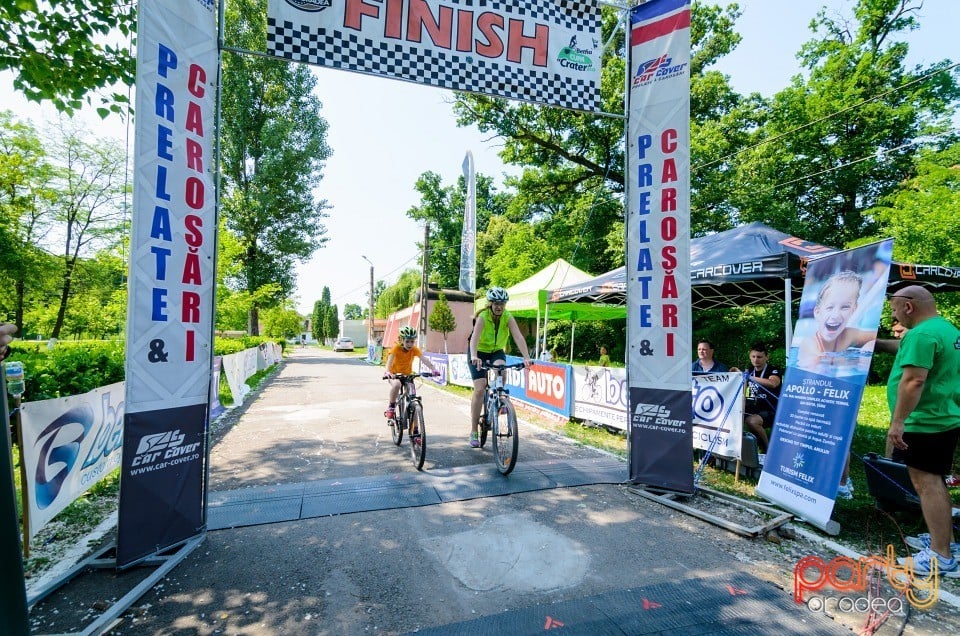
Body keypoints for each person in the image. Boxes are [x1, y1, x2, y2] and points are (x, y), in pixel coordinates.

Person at [886, 286, 960, 576]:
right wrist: (874, 343)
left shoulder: (921, 334)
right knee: (935, 482)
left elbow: (914, 381)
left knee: (927, 484)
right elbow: (905, 349)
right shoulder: (946, 329)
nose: (892, 314)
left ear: (908, 307)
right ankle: (946, 542)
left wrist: (898, 421)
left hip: (925, 420)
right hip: (943, 415)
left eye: (893, 308)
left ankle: (940, 556)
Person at [468, 287, 532, 448]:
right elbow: (474, 338)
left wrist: (526, 357)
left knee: (501, 371)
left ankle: (499, 399)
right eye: (496, 303)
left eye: (502, 303)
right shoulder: (483, 316)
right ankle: (474, 430)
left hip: (496, 351)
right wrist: (474, 356)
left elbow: (518, 336)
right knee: (480, 388)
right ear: (490, 303)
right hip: (479, 351)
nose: (499, 306)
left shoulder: (507, 317)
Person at [797, 271, 876, 373]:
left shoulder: (847, 335)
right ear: (817, 312)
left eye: (845, 307)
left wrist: (867, 348)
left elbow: (876, 338)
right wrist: (847, 362)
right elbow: (817, 374)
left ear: (854, 309)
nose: (835, 315)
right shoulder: (810, 344)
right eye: (830, 307)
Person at [383, 326, 437, 424]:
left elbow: (424, 360)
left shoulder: (414, 350)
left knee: (413, 399)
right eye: (407, 341)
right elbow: (389, 362)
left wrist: (433, 369)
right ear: (402, 340)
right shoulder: (396, 348)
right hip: (394, 374)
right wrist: (387, 372)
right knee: (396, 385)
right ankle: (391, 406)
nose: (410, 344)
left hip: (407, 375)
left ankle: (415, 431)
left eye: (412, 341)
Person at [742, 342, 781, 456]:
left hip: (771, 409)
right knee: (732, 416)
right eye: (753, 357)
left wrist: (748, 377)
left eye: (759, 357)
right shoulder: (749, 370)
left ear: (766, 357)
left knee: (752, 421)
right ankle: (739, 449)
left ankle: (767, 450)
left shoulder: (773, 370)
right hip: (754, 407)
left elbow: (773, 383)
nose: (756, 360)